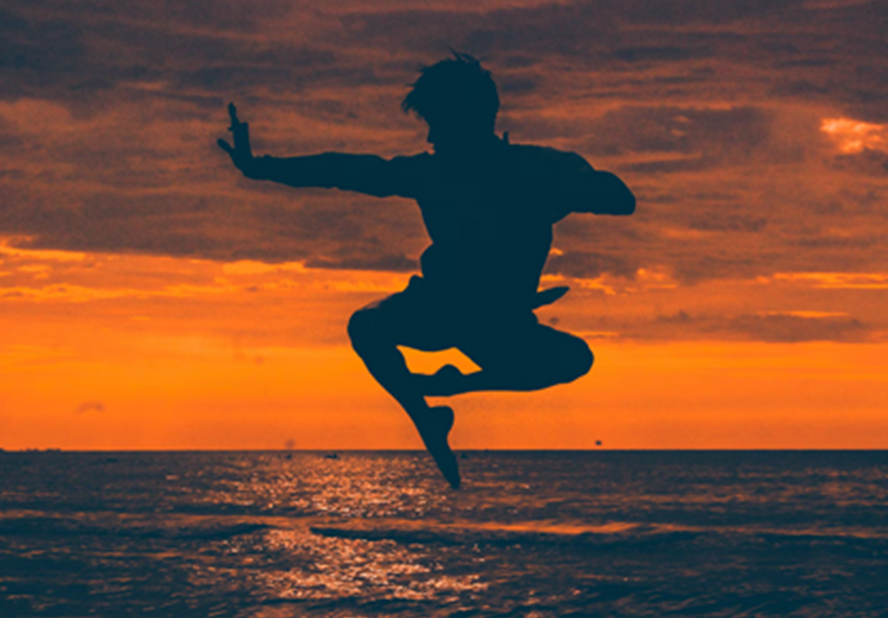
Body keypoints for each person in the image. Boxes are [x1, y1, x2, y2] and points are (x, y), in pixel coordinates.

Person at [218, 54, 635, 488]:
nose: (432, 136)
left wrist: (553, 182)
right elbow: (346, 170)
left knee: (575, 358)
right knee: (366, 324)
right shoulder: (435, 172)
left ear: (469, 119)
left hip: (497, 325)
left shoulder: (529, 168)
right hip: (438, 308)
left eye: (438, 124)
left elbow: (620, 199)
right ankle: (426, 416)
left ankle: (455, 387)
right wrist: (261, 166)